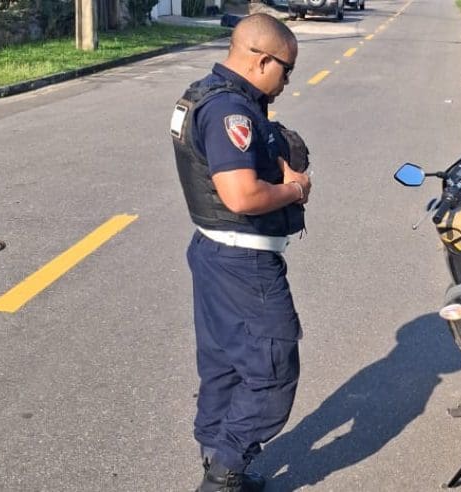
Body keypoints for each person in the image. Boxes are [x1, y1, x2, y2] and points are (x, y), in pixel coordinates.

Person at [169, 13, 311, 492]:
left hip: (213, 252)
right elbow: (241, 197)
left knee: (225, 366)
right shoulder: (230, 111)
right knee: (272, 374)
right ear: (262, 58)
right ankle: (223, 474)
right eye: (286, 69)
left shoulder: (204, 91)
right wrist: (294, 190)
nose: (288, 80)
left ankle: (215, 454)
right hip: (243, 264)